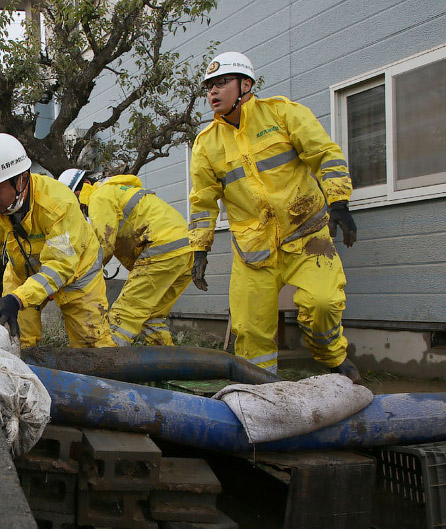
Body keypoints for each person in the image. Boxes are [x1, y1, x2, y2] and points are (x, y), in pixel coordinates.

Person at [188, 51, 360, 381]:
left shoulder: (282, 113)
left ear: (246, 84)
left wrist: (339, 203)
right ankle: (262, 391)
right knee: (251, 331)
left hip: (307, 237)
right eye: (209, 86)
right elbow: (202, 202)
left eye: (221, 83)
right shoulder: (206, 144)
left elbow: (324, 154)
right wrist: (200, 248)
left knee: (323, 304)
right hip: (254, 252)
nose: (212, 92)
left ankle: (332, 356)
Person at [0, 133, 113, 349]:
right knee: (17, 342)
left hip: (78, 273)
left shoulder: (58, 203)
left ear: (21, 178)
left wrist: (17, 300)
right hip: (24, 273)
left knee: (92, 345)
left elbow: (60, 266)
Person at [61, 168, 193, 346]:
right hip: (185, 250)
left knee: (122, 318)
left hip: (161, 249)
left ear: (85, 185)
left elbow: (102, 245)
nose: (77, 206)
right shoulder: (116, 190)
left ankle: (108, 367)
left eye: (74, 198)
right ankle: (168, 368)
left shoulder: (99, 196)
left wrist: (81, 275)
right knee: (152, 317)